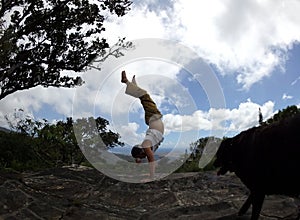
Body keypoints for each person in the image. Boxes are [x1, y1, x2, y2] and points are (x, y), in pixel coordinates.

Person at [121, 70, 164, 178]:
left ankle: (126, 82)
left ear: (141, 151)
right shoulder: (145, 146)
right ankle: (133, 86)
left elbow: (151, 159)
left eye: (142, 155)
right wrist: (138, 160)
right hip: (154, 119)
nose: (145, 156)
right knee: (144, 97)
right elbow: (141, 156)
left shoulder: (145, 145)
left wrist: (151, 176)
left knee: (145, 97)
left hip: (153, 118)